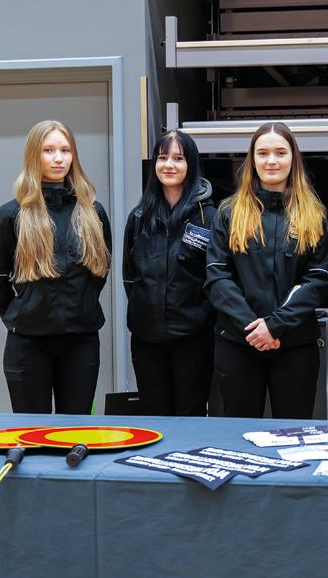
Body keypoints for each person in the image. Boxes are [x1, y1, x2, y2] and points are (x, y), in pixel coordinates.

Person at [0, 120, 112, 415]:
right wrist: (24, 311)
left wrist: (78, 305)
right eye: (48, 150)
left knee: (75, 431)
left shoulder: (93, 213)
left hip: (81, 341)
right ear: (33, 155)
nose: (58, 158)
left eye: (65, 150)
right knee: (32, 432)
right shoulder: (11, 215)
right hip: (28, 343)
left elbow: (99, 274)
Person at [204, 122, 328, 419]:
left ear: (293, 159)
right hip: (237, 343)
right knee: (237, 434)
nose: (271, 160)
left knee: (292, 434)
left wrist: (274, 326)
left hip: (295, 346)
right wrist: (253, 327)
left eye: (280, 152)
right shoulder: (228, 213)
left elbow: (318, 280)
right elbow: (217, 276)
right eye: (262, 153)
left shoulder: (314, 216)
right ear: (252, 160)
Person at [124, 131, 217, 416]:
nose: (169, 165)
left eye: (178, 158)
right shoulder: (139, 217)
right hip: (147, 339)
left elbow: (218, 278)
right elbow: (130, 277)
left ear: (191, 164)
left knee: (190, 416)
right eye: (163, 158)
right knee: (155, 417)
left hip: (194, 338)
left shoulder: (210, 217)